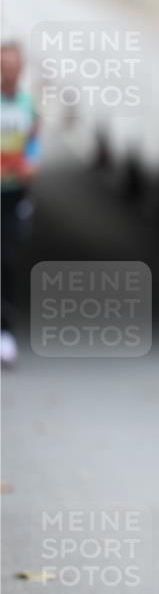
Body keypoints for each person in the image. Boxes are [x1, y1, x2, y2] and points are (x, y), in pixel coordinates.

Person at [1, 40, 40, 367]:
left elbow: (34, 149)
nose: (9, 73)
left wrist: (27, 165)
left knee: (8, 260)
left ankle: (5, 332)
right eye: (4, 67)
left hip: (14, 196)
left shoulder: (29, 106)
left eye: (14, 67)